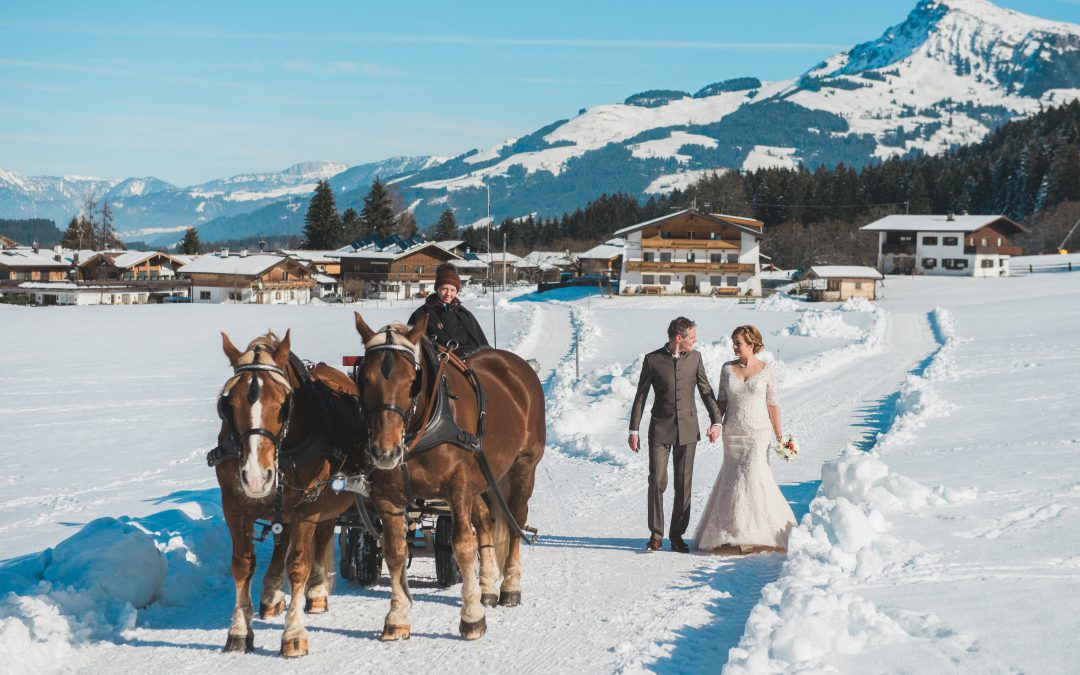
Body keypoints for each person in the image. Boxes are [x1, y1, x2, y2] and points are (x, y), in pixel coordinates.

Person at [693, 325, 796, 554]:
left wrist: (781, 437)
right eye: (733, 342)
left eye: (738, 343)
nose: (734, 347)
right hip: (733, 432)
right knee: (733, 478)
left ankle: (758, 533)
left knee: (754, 475)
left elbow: (773, 405)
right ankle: (733, 532)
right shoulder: (727, 369)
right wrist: (716, 425)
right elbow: (721, 401)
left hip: (758, 433)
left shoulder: (767, 370)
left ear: (751, 345)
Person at [628, 317, 722, 553]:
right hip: (660, 429)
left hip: (688, 429)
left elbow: (705, 390)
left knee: (683, 484)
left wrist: (716, 420)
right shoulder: (652, 360)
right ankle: (656, 535)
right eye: (692, 337)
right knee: (657, 480)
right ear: (678, 338)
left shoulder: (696, 358)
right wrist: (633, 429)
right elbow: (641, 396)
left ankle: (677, 535)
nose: (696, 341)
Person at [408, 262, 489, 350]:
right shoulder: (422, 313)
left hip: (464, 360)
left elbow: (480, 344)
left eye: (453, 290)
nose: (448, 294)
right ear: (437, 289)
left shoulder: (464, 314)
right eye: (444, 289)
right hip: (437, 360)